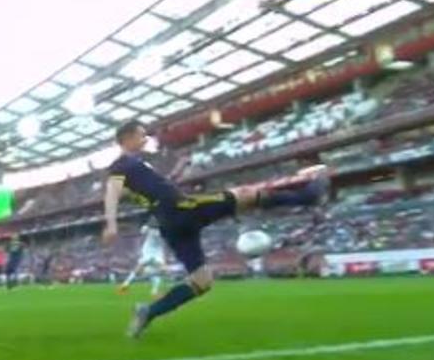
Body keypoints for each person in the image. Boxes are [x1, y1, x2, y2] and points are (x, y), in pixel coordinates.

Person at [102, 120, 329, 338]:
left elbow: (150, 189)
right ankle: (308, 196)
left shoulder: (138, 166)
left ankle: (149, 312)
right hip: (183, 209)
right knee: (246, 194)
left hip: (170, 224)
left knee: (202, 281)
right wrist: (111, 224)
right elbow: (112, 192)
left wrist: (176, 171)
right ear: (127, 138)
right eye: (142, 135)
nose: (145, 139)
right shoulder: (122, 164)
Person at [117, 222, 167, 298]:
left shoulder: (149, 229)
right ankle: (153, 290)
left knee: (141, 267)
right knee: (161, 270)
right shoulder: (161, 231)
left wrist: (147, 227)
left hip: (151, 252)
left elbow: (142, 231)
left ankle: (126, 283)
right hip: (152, 252)